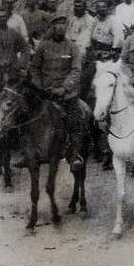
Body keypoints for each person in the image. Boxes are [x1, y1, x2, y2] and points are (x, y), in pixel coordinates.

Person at [31, 15, 86, 172]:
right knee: (28, 116)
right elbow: (34, 68)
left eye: (63, 25)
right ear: (52, 28)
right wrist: (39, 86)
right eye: (57, 25)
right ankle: (29, 152)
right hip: (46, 93)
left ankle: (75, 155)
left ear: (66, 28)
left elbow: (76, 71)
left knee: (74, 122)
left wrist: (64, 88)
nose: (60, 28)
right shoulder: (43, 46)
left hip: (67, 94)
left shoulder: (72, 47)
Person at [0, 5, 29, 93]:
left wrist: (21, 65)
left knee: (10, 98)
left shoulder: (13, 32)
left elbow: (25, 48)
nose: (1, 19)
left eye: (4, 16)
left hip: (11, 70)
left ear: (7, 18)